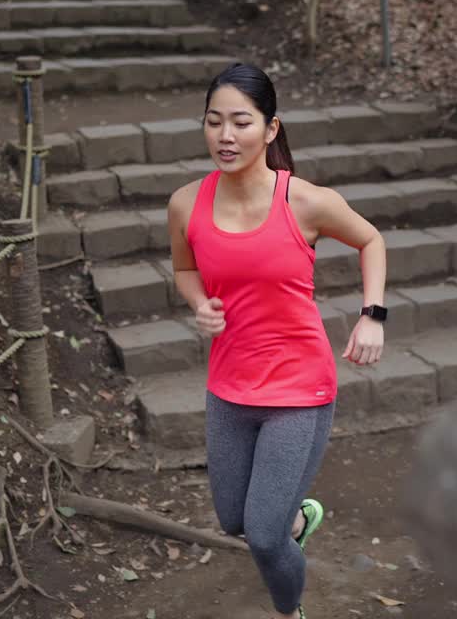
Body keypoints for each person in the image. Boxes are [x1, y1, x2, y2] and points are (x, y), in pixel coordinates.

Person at [166, 63, 388, 618]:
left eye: (241, 122)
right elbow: (184, 269)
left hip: (298, 389)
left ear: (270, 130)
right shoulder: (186, 203)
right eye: (214, 122)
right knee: (234, 520)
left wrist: (372, 315)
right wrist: (200, 306)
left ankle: (290, 612)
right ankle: (298, 517)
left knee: (263, 539)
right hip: (229, 387)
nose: (225, 135)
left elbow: (371, 240)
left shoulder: (305, 202)